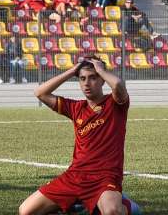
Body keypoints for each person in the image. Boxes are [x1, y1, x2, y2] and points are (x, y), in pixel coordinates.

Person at [19, 55, 140, 215]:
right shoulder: (75, 108)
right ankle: (81, 204)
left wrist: (101, 70)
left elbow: (117, 84)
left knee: (112, 211)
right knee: (25, 211)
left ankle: (126, 206)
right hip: (74, 176)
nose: (86, 83)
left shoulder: (115, 103)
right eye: (82, 79)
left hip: (105, 177)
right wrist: (72, 71)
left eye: (93, 78)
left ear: (102, 79)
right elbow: (40, 92)